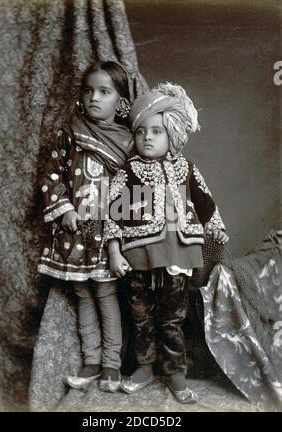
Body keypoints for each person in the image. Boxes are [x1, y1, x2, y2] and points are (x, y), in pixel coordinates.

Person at [104, 82, 229, 404]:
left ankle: (175, 373)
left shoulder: (186, 168)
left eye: (156, 131)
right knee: (140, 315)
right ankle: (144, 367)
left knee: (172, 315)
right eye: (142, 131)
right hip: (137, 254)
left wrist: (215, 228)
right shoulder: (128, 171)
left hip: (179, 250)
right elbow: (111, 213)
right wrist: (114, 251)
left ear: (172, 134)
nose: (147, 137)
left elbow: (204, 202)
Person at [38, 61, 134, 393]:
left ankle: (111, 364)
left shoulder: (129, 143)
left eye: (104, 92)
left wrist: (118, 233)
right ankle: (90, 361)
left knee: (106, 294)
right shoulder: (69, 134)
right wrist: (63, 207)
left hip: (106, 231)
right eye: (89, 90)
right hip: (75, 228)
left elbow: (133, 192)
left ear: (121, 102)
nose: (94, 97)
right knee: (83, 294)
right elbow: (52, 176)